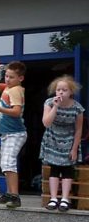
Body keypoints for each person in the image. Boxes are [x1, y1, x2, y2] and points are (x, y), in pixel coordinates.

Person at [0, 57, 26, 208]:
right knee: (5, 164)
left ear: (20, 78)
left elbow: (16, 112)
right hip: (7, 133)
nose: (8, 79)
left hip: (15, 133)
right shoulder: (8, 88)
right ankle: (10, 194)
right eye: (7, 76)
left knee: (9, 163)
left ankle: (15, 196)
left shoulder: (15, 90)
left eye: (11, 77)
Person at [41, 75, 83, 212]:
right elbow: (46, 123)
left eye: (64, 90)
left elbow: (78, 129)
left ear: (71, 92)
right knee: (54, 169)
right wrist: (55, 107)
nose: (60, 92)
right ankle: (53, 198)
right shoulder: (49, 102)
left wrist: (75, 149)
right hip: (52, 138)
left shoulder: (77, 108)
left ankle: (65, 199)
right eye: (58, 89)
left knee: (67, 170)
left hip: (69, 140)